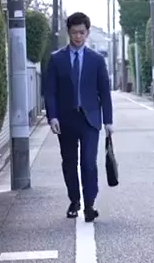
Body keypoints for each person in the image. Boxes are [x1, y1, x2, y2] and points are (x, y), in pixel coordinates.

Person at [42, 12, 114, 222]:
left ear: (87, 33)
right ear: (69, 32)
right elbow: (50, 91)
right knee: (69, 162)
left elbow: (104, 92)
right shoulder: (57, 59)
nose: (78, 37)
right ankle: (74, 200)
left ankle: (90, 204)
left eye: (82, 32)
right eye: (74, 32)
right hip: (65, 120)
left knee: (89, 163)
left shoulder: (96, 60)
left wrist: (108, 121)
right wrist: (52, 117)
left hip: (90, 119)